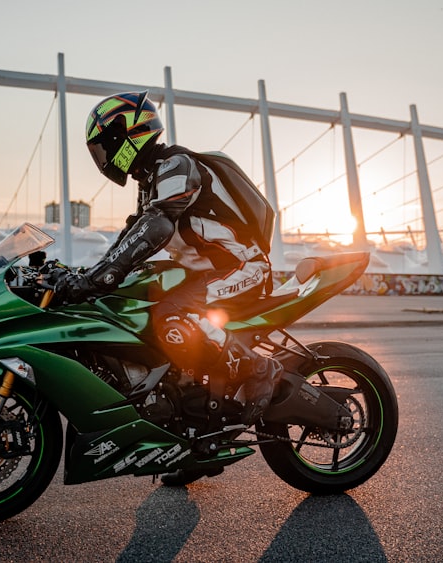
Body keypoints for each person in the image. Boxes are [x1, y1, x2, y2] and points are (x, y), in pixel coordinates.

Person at [43, 91, 282, 485]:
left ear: (129, 135)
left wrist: (102, 276)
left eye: (106, 146)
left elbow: (157, 225)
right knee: (143, 315)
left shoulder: (176, 164)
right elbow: (128, 239)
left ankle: (258, 368)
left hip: (244, 268)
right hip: (204, 276)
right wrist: (81, 276)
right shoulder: (149, 181)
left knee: (169, 315)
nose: (103, 157)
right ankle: (191, 442)